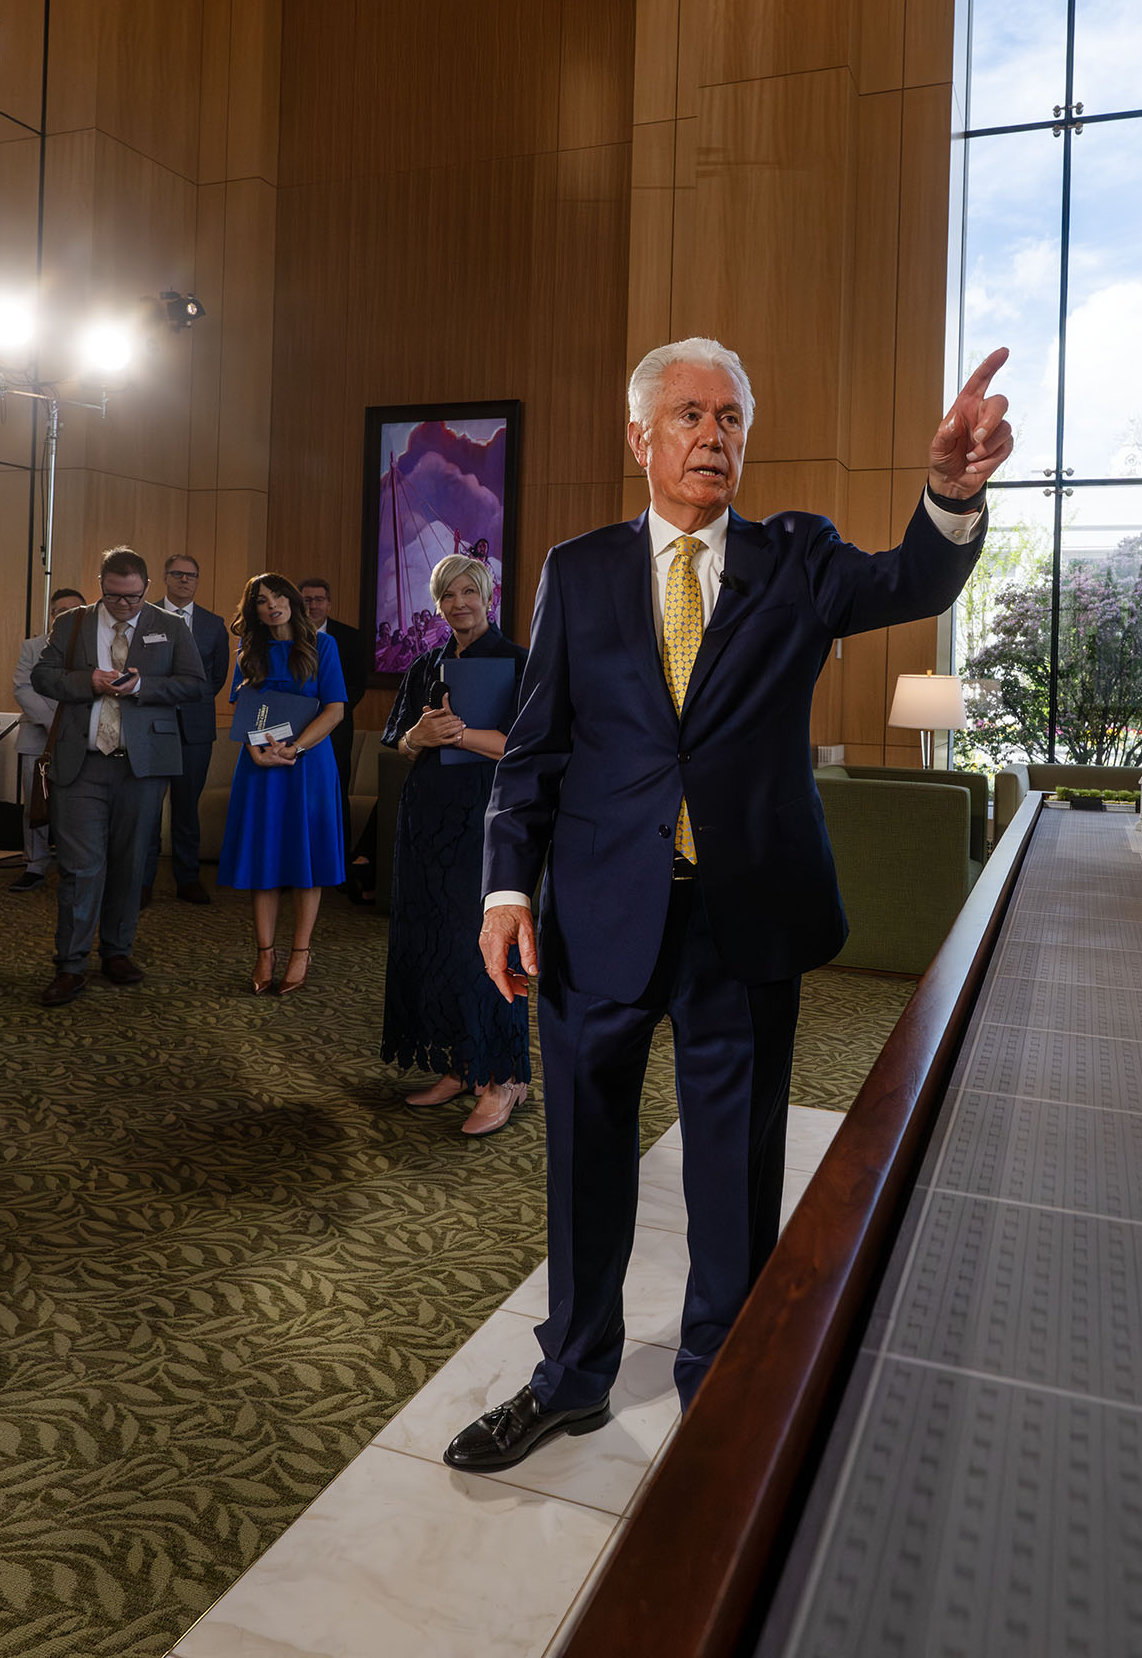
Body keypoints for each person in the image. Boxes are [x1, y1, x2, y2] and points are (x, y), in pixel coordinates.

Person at [443, 338, 1014, 1473]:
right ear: (640, 436)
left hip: (742, 915)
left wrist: (950, 494)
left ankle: (726, 1373)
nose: (714, 436)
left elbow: (912, 577)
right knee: (586, 1151)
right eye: (691, 414)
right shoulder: (582, 567)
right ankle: (573, 1374)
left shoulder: (793, 556)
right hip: (601, 911)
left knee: (734, 1161)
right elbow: (538, 746)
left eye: (732, 419)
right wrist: (508, 885)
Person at [378, 555, 528, 1135]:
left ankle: (503, 1078)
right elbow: (399, 740)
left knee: (487, 947)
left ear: (487, 596)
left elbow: (529, 746)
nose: (458, 603)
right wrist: (417, 736)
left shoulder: (519, 662)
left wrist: (462, 734)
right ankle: (460, 1062)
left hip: (489, 820)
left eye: (469, 591)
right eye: (447, 595)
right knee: (434, 938)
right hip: (426, 819)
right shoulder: (425, 664)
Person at [29, 551, 210, 1007]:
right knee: (79, 867)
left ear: (147, 587)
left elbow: (194, 684)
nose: (123, 605)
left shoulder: (170, 627)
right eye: (113, 596)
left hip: (142, 764)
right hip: (82, 763)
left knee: (131, 865)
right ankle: (70, 965)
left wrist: (142, 687)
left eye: (133, 596)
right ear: (100, 584)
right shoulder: (71, 623)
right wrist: (87, 680)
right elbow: (43, 676)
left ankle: (117, 952)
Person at [218, 573, 349, 995]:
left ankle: (301, 952)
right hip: (259, 763)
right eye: (261, 599)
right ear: (253, 609)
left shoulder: (322, 646)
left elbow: (334, 711)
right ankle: (265, 952)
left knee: (305, 859)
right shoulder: (249, 650)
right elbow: (243, 710)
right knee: (264, 859)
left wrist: (297, 748)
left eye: (277, 596)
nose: (271, 604)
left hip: (307, 764)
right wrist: (257, 750)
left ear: (292, 600)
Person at [143, 552, 224, 906]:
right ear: (165, 577)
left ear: (197, 580)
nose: (184, 580)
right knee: (147, 807)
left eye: (191, 575)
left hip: (195, 727)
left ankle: (187, 879)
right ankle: (141, 881)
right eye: (177, 574)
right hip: (152, 725)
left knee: (186, 806)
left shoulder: (213, 624)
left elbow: (217, 677)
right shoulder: (145, 617)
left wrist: (186, 696)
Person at [296, 577, 374, 901]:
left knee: (335, 794)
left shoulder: (349, 639)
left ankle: (339, 868)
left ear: (329, 603)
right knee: (297, 795)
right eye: (307, 600)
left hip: (336, 731)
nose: (313, 606)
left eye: (319, 600)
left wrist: (327, 712)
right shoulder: (285, 634)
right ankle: (295, 865)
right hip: (292, 729)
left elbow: (357, 684)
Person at [8, 589, 87, 892]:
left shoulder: (93, 645)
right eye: (60, 610)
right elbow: (22, 689)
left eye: (75, 610)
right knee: (36, 805)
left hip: (82, 737)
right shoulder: (33, 646)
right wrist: (54, 722)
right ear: (52, 614)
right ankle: (35, 865)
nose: (66, 615)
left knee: (78, 805)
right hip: (39, 737)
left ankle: (74, 864)